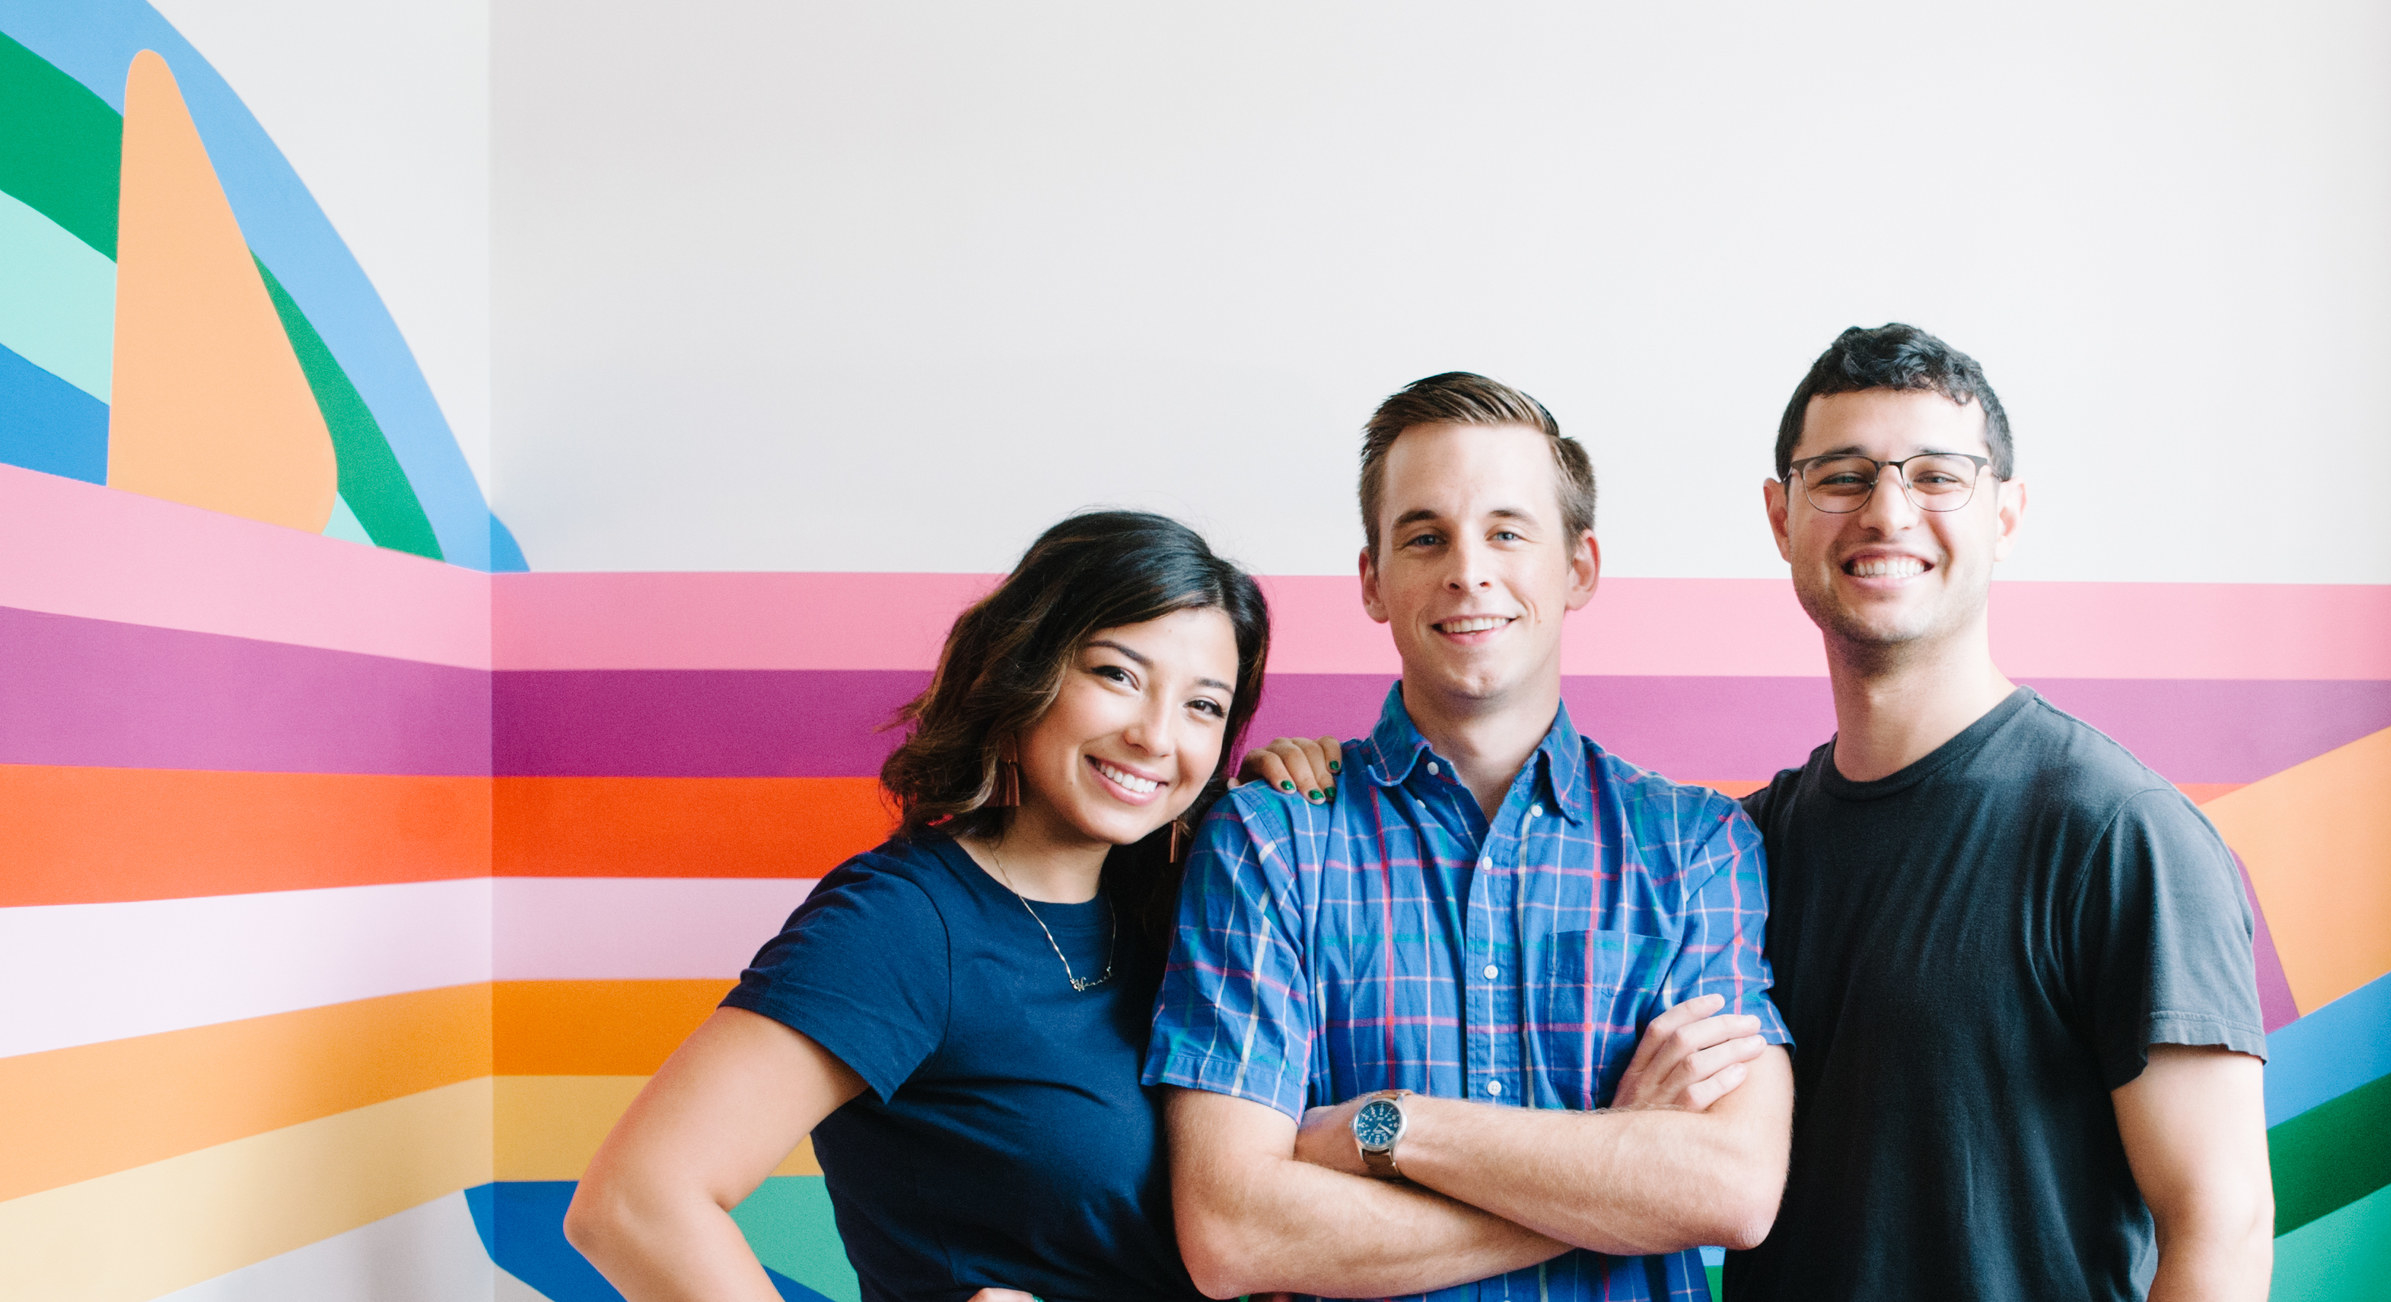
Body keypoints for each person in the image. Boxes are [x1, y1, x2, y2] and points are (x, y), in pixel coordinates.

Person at [1248, 327, 2275, 1301]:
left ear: (2003, 513)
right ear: (1783, 517)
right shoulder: (1748, 838)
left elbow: (2219, 1229)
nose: (1887, 511)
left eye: (1935, 474)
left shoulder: (2117, 832)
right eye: (1844, 476)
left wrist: (1387, 1132)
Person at [1150, 372, 1796, 1302]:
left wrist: (1387, 1129)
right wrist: (1608, 1173)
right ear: (1372, 580)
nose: (1467, 570)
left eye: (1506, 531)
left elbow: (1727, 1189)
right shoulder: (1271, 843)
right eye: (1425, 536)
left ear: (1578, 567)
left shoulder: (1698, 847)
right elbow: (1233, 1231)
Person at [565, 510, 1271, 1302]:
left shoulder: (1175, 917)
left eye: (1203, 706)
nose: (1156, 736)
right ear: (1024, 669)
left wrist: (1306, 799)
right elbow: (635, 1206)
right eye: (1117, 675)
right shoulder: (902, 924)